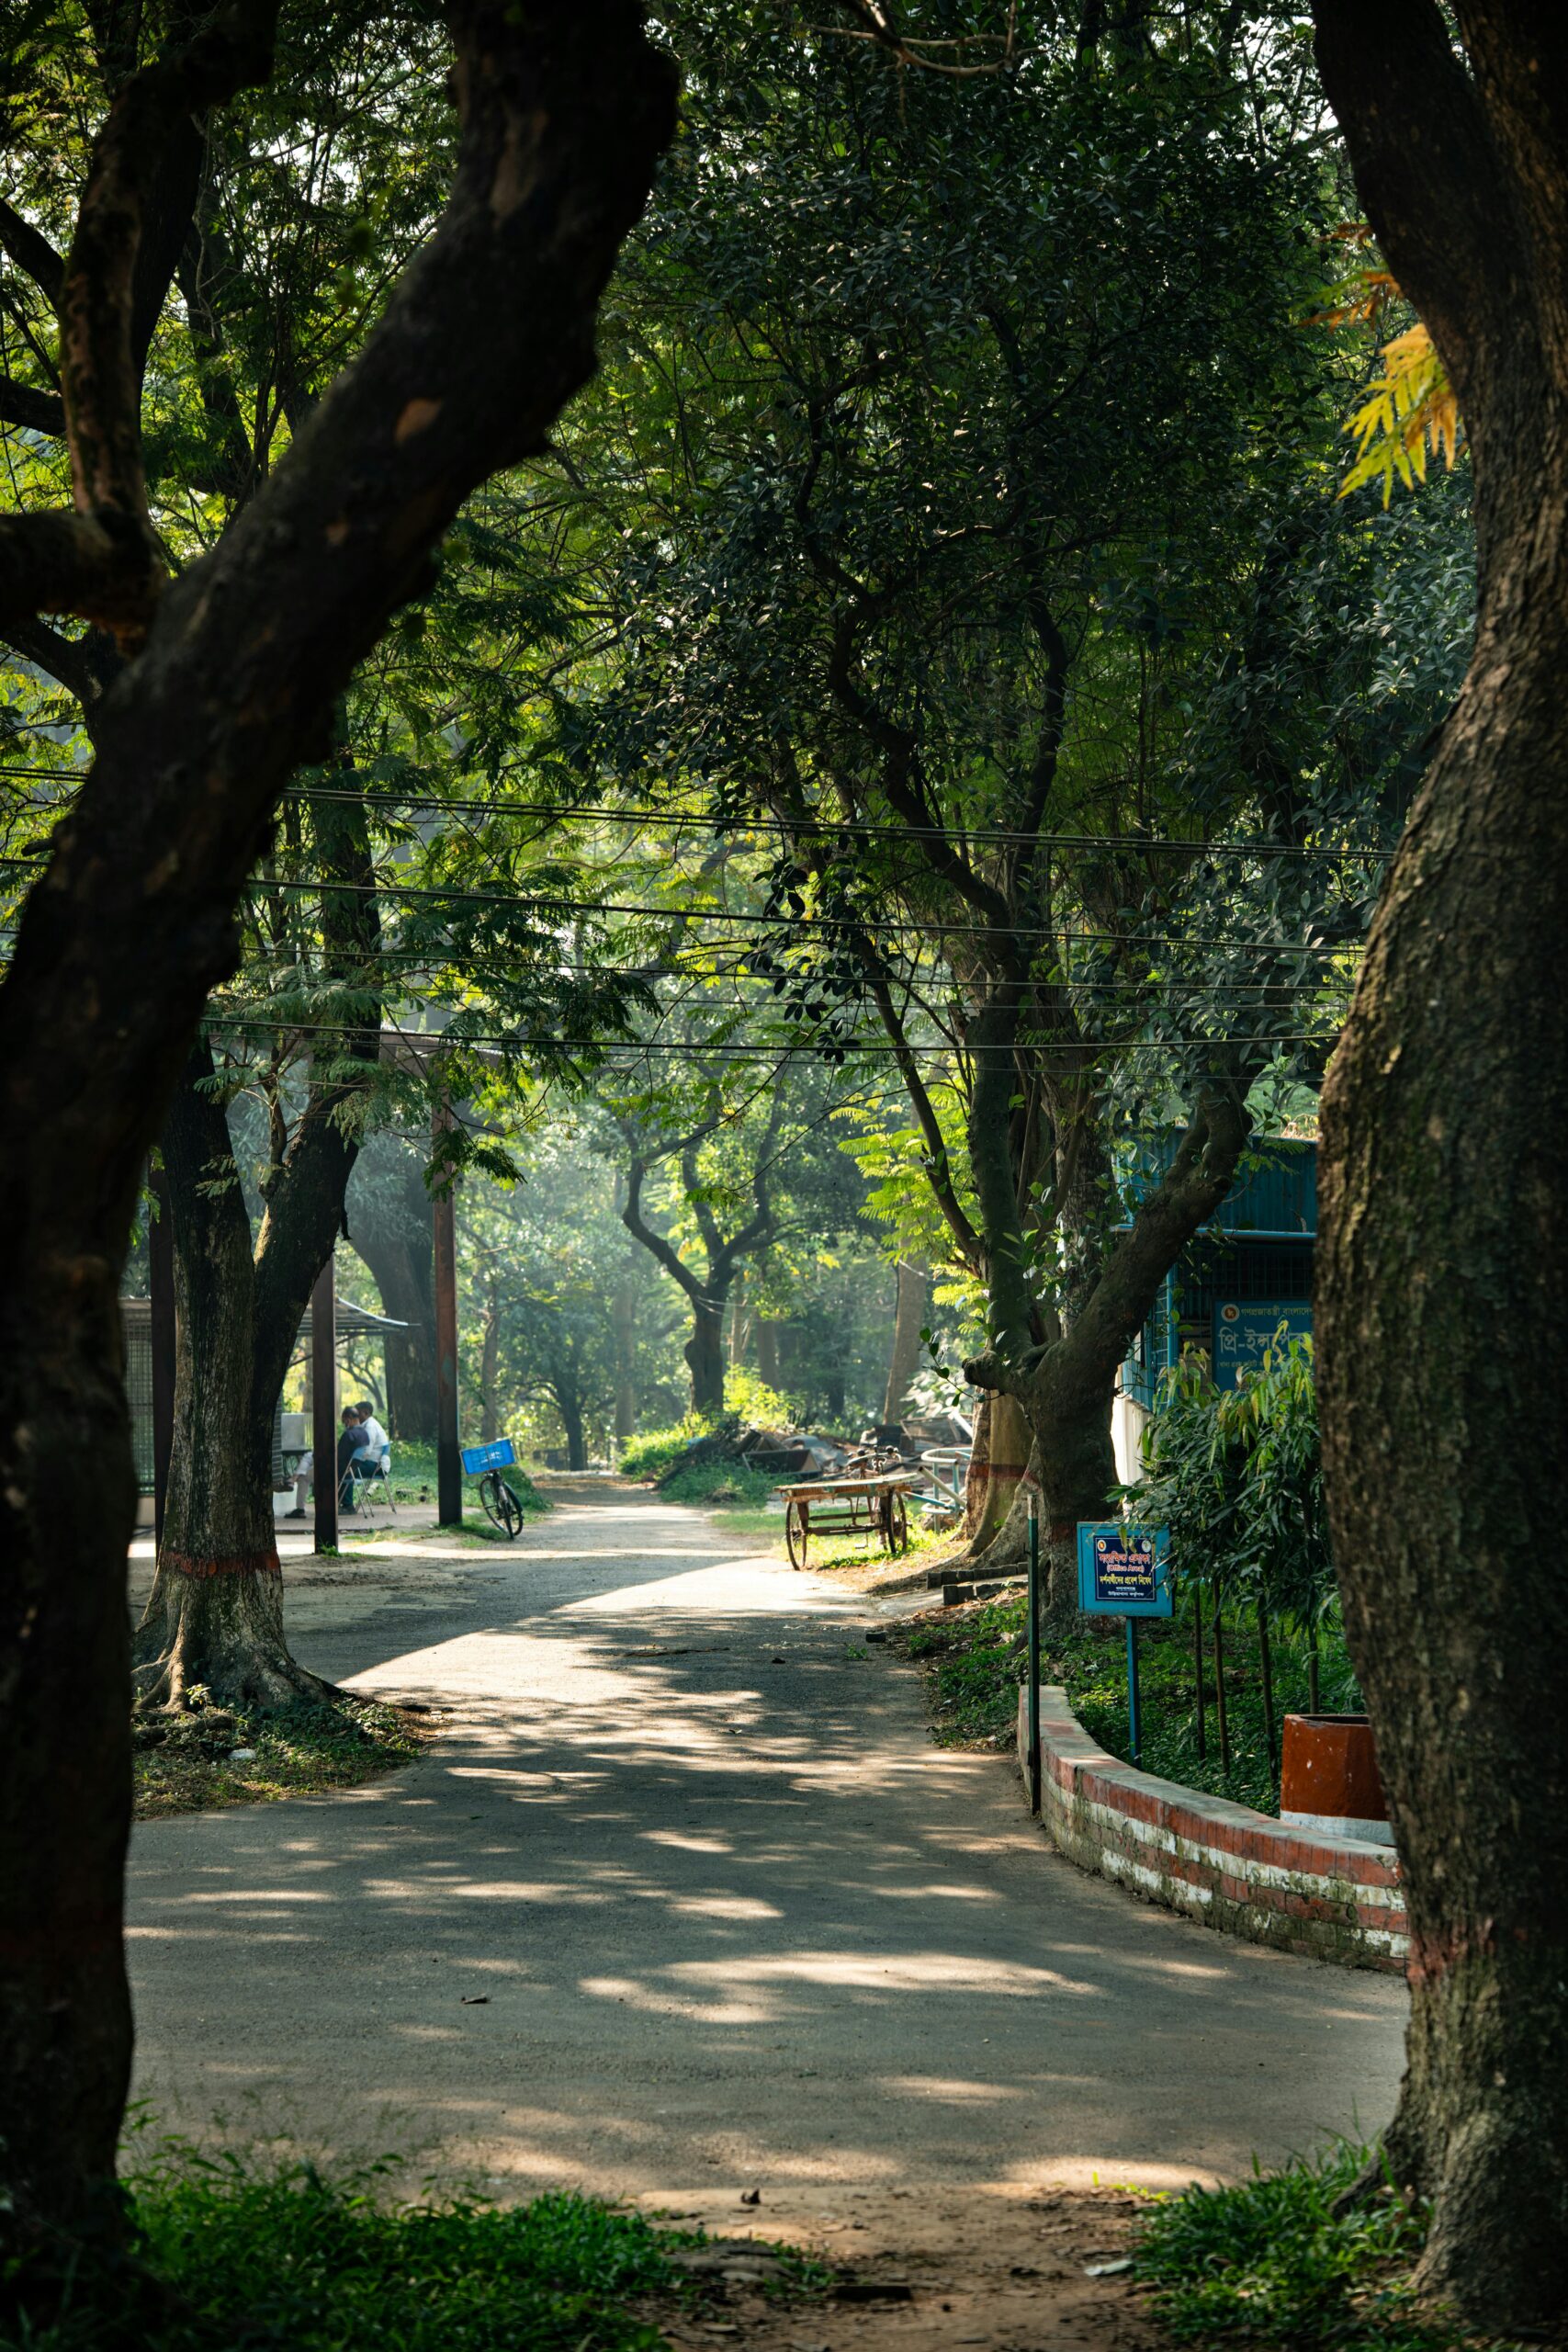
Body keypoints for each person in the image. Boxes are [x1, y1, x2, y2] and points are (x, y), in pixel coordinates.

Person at [337, 1406, 369, 1510]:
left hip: (344, 1469)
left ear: (349, 1419)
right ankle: (346, 1503)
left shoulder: (348, 1434)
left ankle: (336, 1503)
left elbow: (339, 1455)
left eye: (344, 1421)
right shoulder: (364, 1433)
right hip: (355, 1467)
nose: (344, 1424)